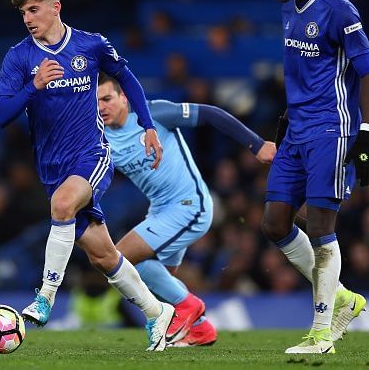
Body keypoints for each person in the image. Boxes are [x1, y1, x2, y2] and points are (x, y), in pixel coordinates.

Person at [0, 0, 174, 351]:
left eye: (33, 9)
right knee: (102, 255)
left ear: (55, 6)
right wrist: (34, 85)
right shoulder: (19, 57)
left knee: (61, 204)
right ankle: (158, 313)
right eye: (22, 12)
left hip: (91, 154)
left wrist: (147, 126)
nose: (27, 18)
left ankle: (45, 297)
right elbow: (1, 115)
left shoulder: (91, 45)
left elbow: (128, 78)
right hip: (51, 166)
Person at [252, 0, 369, 354]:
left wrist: (366, 135)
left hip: (332, 129)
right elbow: (301, 74)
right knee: (274, 223)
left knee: (322, 226)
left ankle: (322, 332)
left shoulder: (339, 9)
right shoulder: (288, 7)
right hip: (297, 129)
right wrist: (284, 122)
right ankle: (344, 297)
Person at [97, 73, 276, 346]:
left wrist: (257, 144)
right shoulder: (101, 137)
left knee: (117, 258)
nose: (102, 107)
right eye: (96, 102)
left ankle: (189, 306)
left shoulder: (153, 113)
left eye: (107, 98)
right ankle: (201, 329)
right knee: (153, 280)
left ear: (123, 97)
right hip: (160, 211)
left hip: (191, 205)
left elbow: (211, 114)